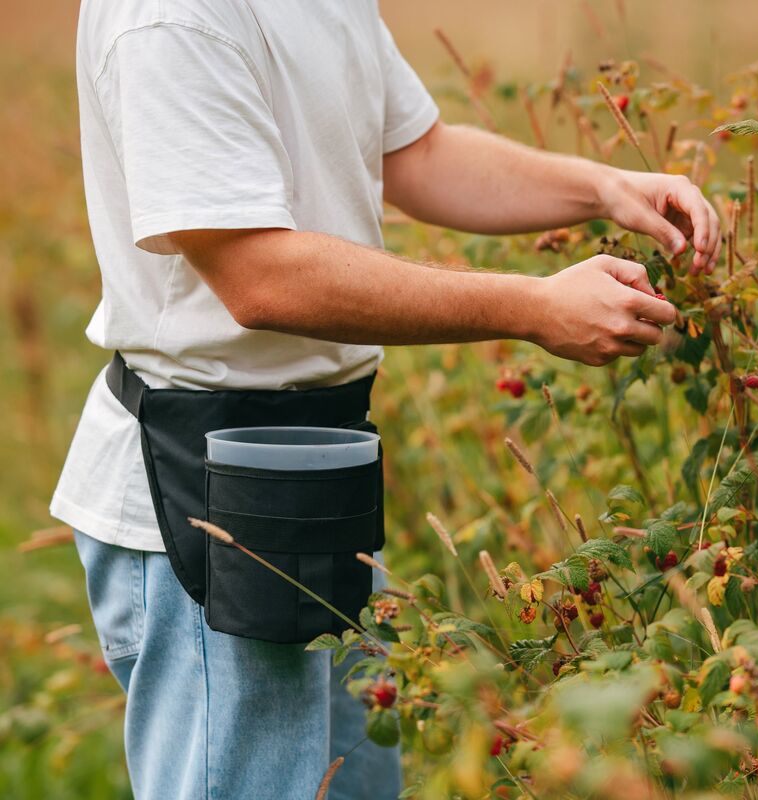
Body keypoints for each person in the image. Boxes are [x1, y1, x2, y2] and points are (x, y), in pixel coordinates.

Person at [51, 1, 722, 798]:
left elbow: (417, 153)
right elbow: (257, 276)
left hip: (322, 475)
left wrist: (605, 187)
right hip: (202, 497)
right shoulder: (168, 16)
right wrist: (533, 306)